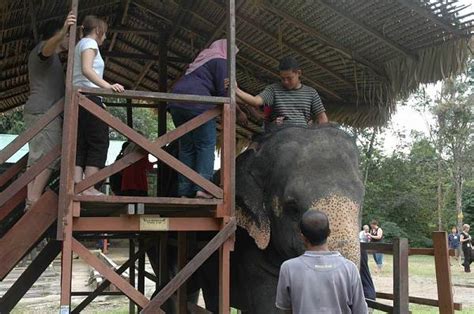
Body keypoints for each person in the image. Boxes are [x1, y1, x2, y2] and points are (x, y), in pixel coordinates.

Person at [168, 39, 235, 199]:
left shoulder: (200, 60)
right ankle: (202, 188)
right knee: (205, 145)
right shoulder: (221, 61)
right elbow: (223, 93)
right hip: (198, 105)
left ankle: (184, 191)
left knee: (187, 148)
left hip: (176, 104)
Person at [23, 12, 76, 210]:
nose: (69, 39)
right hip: (44, 112)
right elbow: (46, 49)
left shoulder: (54, 61)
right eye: (68, 36)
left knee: (37, 157)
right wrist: (63, 32)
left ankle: (31, 199)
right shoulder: (43, 52)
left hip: (40, 112)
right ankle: (34, 199)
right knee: (50, 155)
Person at [276, 210, 368, 314]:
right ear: (329, 232)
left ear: (302, 237)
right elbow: (360, 311)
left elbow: (285, 309)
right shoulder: (349, 268)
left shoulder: (288, 268)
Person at [72, 15, 124, 195]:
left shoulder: (79, 45)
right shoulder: (90, 44)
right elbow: (87, 70)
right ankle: (88, 187)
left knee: (81, 142)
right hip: (90, 96)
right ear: (98, 31)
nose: (106, 37)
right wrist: (107, 87)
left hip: (79, 98)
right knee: (99, 141)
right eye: (105, 33)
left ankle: (77, 185)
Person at [236, 56, 328, 130]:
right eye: (283, 78)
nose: (286, 82)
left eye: (289, 78)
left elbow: (322, 118)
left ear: (298, 73)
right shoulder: (273, 90)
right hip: (278, 134)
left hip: (303, 135)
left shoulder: (311, 93)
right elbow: (255, 101)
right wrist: (236, 90)